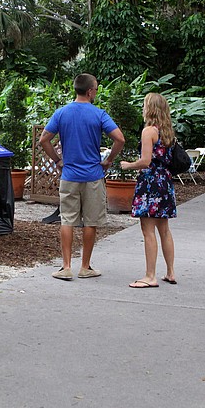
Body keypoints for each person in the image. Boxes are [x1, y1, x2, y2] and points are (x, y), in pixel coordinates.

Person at [39, 73, 125, 281]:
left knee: (67, 220)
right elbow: (119, 139)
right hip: (93, 176)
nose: (96, 92)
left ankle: (66, 266)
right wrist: (109, 160)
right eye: (95, 89)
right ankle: (85, 266)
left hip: (69, 175)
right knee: (90, 222)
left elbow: (44, 140)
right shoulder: (99, 114)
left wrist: (58, 161)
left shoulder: (62, 113)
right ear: (89, 91)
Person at [120, 93, 176, 288]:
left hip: (150, 182)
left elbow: (145, 161)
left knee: (148, 230)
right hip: (165, 182)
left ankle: (150, 275)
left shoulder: (148, 131)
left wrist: (127, 165)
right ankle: (170, 272)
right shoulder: (167, 131)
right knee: (164, 230)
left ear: (149, 109)